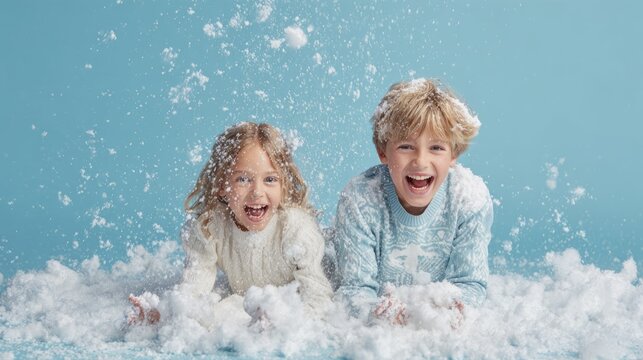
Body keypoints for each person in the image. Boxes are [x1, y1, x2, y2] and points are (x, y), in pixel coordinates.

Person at [130, 122, 333, 325]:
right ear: (221, 185)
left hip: (300, 296)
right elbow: (193, 290)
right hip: (248, 301)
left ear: (284, 185)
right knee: (222, 311)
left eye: (270, 179)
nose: (257, 192)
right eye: (243, 179)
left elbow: (318, 298)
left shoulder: (297, 230)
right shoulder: (211, 228)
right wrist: (167, 314)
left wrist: (284, 323)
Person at [333, 78, 493, 325]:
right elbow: (354, 290)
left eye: (436, 148)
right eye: (406, 146)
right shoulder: (360, 199)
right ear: (383, 151)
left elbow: (470, 283)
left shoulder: (469, 199)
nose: (421, 161)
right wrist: (376, 312)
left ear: (454, 153)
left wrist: (445, 310)